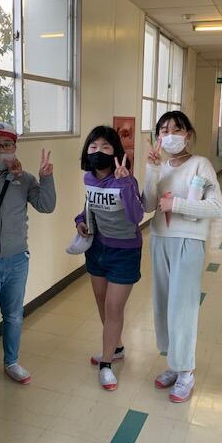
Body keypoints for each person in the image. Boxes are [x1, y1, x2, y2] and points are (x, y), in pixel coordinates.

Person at [0, 122, 56, 403]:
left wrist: (46, 177)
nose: (0, 150)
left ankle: (11, 362)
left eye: (6, 145)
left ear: (15, 148)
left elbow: (46, 205)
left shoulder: (24, 179)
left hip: (18, 259)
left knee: (14, 316)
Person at [143, 111, 222, 403]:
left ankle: (186, 371)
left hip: (188, 242)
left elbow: (216, 207)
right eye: (163, 131)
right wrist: (151, 171)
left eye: (176, 130)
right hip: (160, 240)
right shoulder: (160, 166)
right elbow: (148, 205)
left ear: (187, 134)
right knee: (163, 304)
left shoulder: (200, 164)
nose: (169, 136)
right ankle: (174, 363)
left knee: (183, 307)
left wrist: (176, 204)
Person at [75, 126, 144, 391]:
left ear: (116, 151)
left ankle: (106, 364)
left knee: (114, 308)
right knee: (102, 303)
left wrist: (125, 184)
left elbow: (136, 216)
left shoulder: (126, 180)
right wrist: (80, 221)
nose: (98, 151)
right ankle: (116, 347)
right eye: (93, 147)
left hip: (124, 252)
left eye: (105, 146)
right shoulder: (89, 178)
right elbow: (89, 207)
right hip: (98, 248)